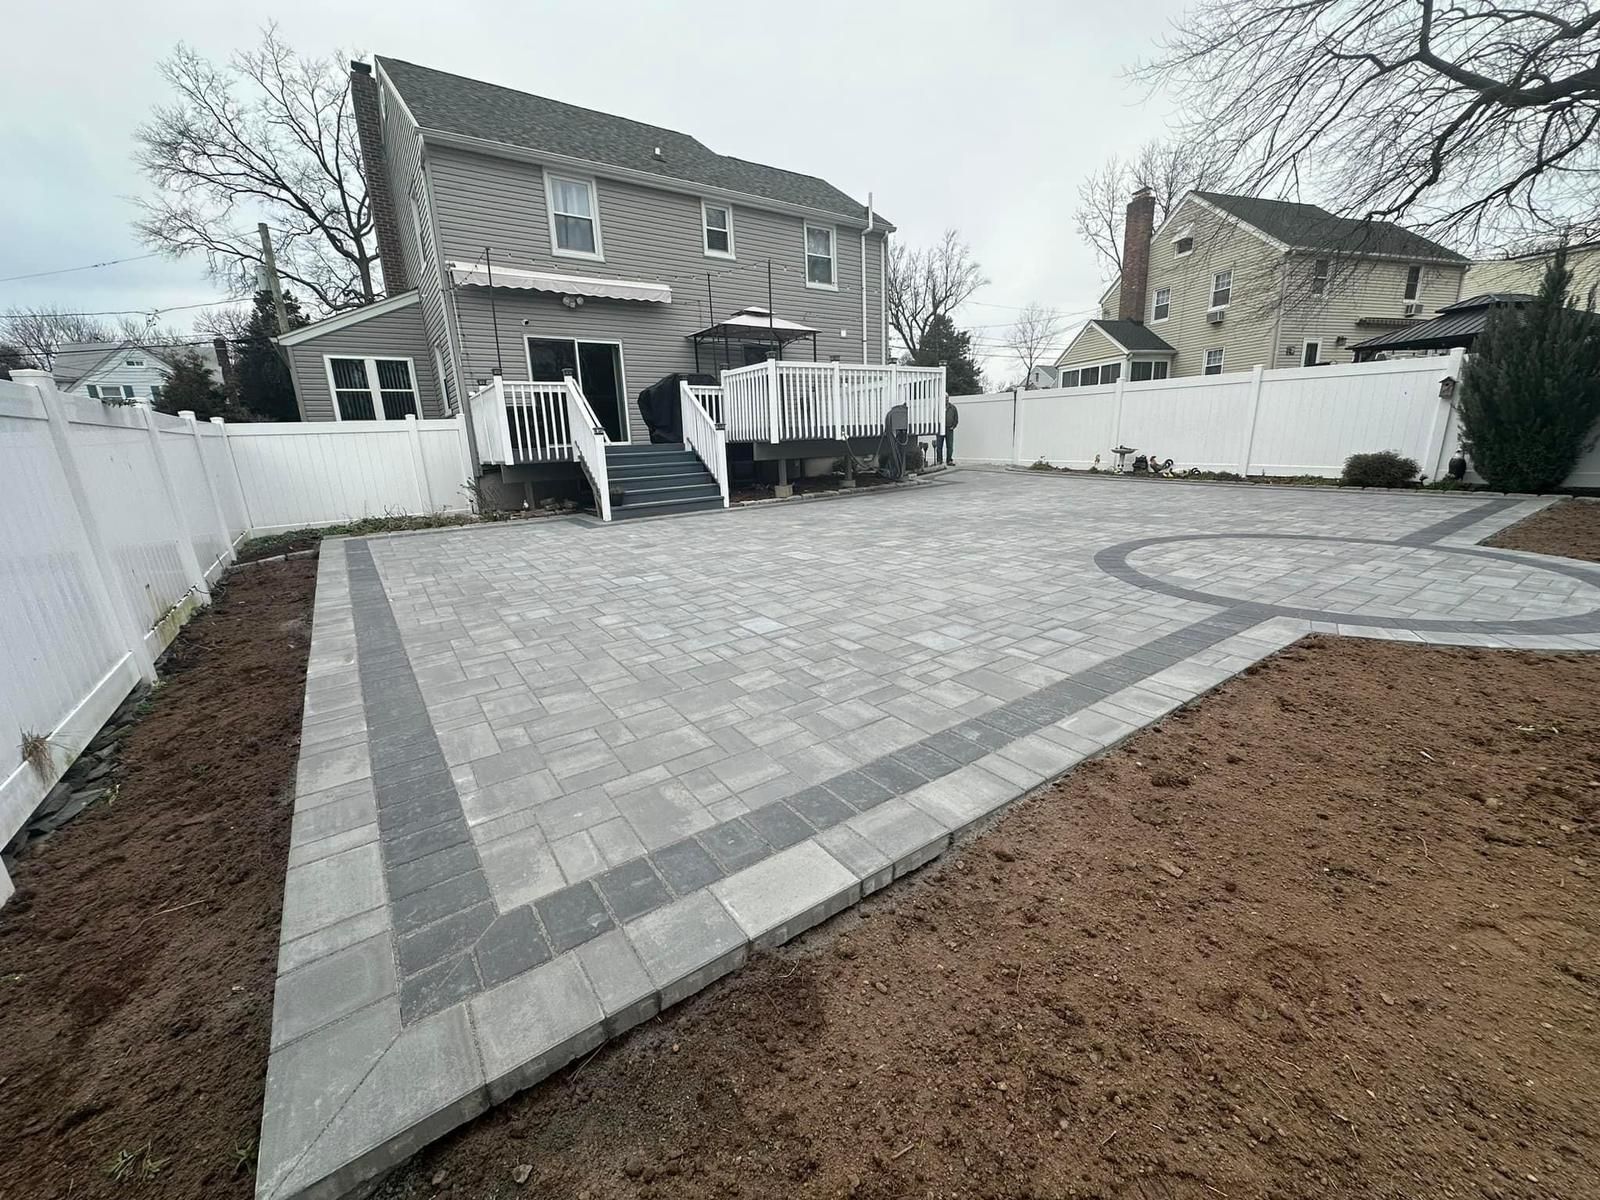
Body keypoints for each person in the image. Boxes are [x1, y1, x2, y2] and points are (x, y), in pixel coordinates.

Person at [936, 399, 959, 465]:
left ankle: (949, 460)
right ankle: (939, 461)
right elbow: (935, 417)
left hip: (949, 429)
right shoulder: (938, 408)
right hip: (940, 429)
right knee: (939, 445)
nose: (945, 399)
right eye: (944, 397)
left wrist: (953, 426)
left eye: (947, 397)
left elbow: (956, 418)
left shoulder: (953, 408)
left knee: (950, 446)